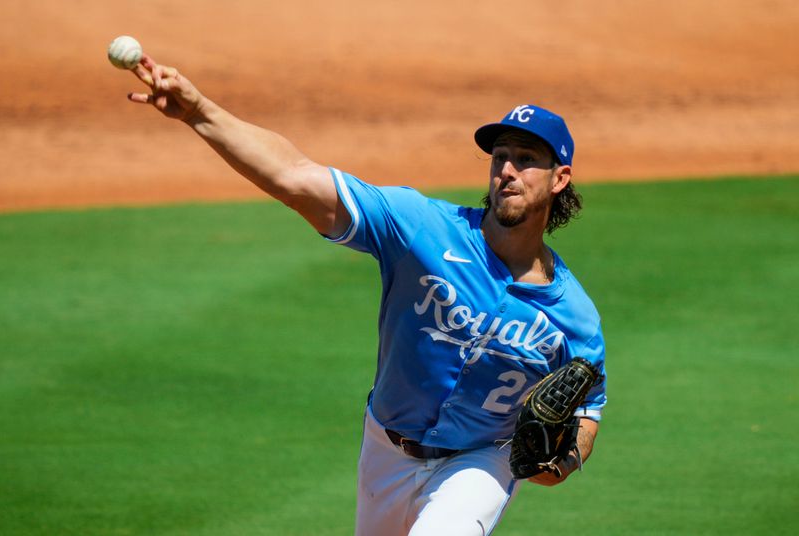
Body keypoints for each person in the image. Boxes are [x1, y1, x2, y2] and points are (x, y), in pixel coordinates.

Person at [125, 54, 607, 536]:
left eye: (526, 161)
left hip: (482, 463)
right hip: (385, 451)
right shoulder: (422, 228)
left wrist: (559, 465)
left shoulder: (574, 316)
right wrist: (198, 112)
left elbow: (588, 409)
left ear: (559, 179)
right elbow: (295, 177)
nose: (507, 170)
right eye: (501, 156)